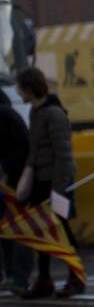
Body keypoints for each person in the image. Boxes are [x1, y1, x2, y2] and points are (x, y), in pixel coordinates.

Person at [15, 67, 83, 299]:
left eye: (20, 87)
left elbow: (64, 157)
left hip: (56, 184)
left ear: (28, 88)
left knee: (63, 232)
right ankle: (44, 280)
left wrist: (58, 191)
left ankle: (76, 277)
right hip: (40, 183)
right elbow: (35, 150)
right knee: (41, 232)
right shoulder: (36, 112)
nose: (18, 91)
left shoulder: (53, 114)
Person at [0, 88, 33, 295]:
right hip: (13, 181)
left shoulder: (5, 116)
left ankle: (16, 277)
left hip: (14, 182)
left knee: (13, 230)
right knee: (10, 230)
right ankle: (14, 276)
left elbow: (24, 148)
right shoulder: (11, 114)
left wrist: (4, 166)